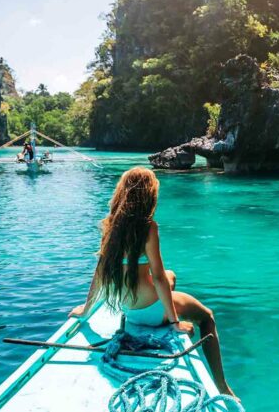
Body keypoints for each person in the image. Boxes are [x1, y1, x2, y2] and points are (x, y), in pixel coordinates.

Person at [69, 167, 237, 399]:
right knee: (206, 317)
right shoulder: (148, 227)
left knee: (171, 276)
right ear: (149, 196)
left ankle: (167, 314)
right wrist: (176, 322)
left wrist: (85, 310)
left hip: (130, 310)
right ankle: (222, 385)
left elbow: (99, 274)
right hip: (152, 309)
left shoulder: (109, 225)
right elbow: (157, 277)